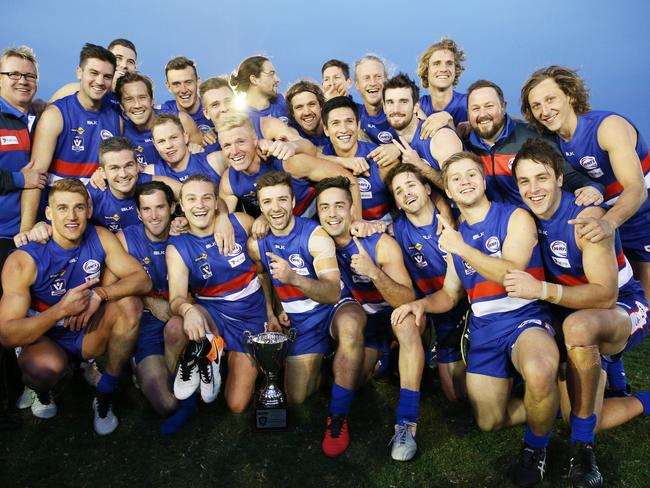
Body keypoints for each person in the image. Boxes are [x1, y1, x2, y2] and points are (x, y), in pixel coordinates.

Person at [392, 152, 560, 487]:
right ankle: (558, 402)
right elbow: (451, 294)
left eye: (472, 175)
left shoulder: (515, 216)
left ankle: (535, 450)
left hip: (525, 316)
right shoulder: (455, 237)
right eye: (456, 179)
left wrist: (461, 248)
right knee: (488, 421)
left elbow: (511, 271)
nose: (465, 182)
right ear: (449, 192)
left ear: (484, 181)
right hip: (484, 328)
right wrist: (421, 305)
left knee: (540, 370)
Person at [505, 138, 650, 488]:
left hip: (623, 307)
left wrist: (541, 290)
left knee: (578, 326)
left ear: (559, 178)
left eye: (541, 178)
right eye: (524, 181)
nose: (533, 189)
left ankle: (582, 453)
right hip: (574, 311)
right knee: (579, 416)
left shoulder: (585, 219)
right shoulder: (525, 216)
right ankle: (632, 398)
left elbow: (605, 294)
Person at [0, 178, 151, 434]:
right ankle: (41, 391)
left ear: (89, 211)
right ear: (48, 213)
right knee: (42, 370)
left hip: (84, 327)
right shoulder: (24, 259)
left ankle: (104, 394)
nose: (72, 216)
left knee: (130, 305)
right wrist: (60, 310)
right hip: (43, 336)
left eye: (79, 207)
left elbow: (142, 280)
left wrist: (100, 294)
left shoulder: (100, 236)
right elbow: (6, 334)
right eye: (62, 208)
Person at [316, 176, 427, 461]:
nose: (332, 214)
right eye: (325, 207)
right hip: (363, 317)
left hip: (394, 311)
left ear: (353, 210)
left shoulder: (379, 244)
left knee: (406, 323)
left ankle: (406, 424)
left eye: (339, 206)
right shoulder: (317, 239)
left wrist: (374, 273)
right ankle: (382, 361)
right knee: (355, 380)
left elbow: (407, 299)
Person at [521, 66, 650, 299]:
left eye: (550, 99)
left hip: (641, 216)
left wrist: (608, 223)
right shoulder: (551, 139)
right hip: (607, 219)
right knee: (613, 298)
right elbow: (511, 124)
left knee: (645, 301)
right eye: (536, 105)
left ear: (570, 95)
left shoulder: (607, 127)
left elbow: (637, 189)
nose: (545, 110)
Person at [166, 175, 268, 414]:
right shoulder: (177, 247)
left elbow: (272, 227)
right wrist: (187, 309)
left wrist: (261, 216)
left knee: (237, 404)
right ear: (181, 206)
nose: (199, 205)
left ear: (216, 202)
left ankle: (214, 358)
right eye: (191, 199)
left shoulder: (239, 222)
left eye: (206, 198)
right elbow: (176, 298)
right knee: (177, 323)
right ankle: (204, 358)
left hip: (251, 317)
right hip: (214, 316)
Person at [248, 171, 342, 407]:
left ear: (292, 202)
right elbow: (264, 277)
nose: (275, 208)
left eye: (282, 200)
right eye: (267, 202)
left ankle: (331, 355)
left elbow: (332, 294)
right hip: (296, 321)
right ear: (260, 206)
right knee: (294, 396)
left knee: (297, 397)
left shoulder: (315, 236)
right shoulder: (256, 244)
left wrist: (294, 278)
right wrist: (272, 312)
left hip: (325, 314)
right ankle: (322, 362)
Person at [116, 181, 197, 433]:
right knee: (167, 405)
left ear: (173, 207)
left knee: (176, 325)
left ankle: (184, 377)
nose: (154, 216)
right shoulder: (126, 239)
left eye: (160, 207)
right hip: (145, 324)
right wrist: (149, 301)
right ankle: (135, 360)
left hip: (178, 321)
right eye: (147, 209)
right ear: (138, 212)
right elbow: (111, 286)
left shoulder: (188, 233)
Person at [385, 163, 468, 402]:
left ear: (427, 188)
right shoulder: (395, 232)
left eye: (411, 185)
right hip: (437, 310)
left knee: (478, 394)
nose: (406, 193)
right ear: (397, 203)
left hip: (472, 306)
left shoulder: (457, 217)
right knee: (455, 396)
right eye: (399, 191)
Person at [22, 43, 122, 234]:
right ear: (79, 72)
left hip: (97, 219)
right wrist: (26, 228)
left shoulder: (116, 119)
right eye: (93, 73)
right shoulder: (56, 115)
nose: (100, 81)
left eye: (107, 76)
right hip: (58, 221)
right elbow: (35, 176)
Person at [0, 45, 47, 429]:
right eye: (13, 74)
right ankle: (8, 389)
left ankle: (31, 382)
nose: (21, 81)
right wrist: (18, 179)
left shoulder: (40, 117)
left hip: (36, 233)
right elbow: (26, 175)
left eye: (28, 75)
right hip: (2, 236)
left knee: (29, 311)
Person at [464, 79, 602, 207]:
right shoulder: (464, 147)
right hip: (493, 228)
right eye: (475, 109)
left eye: (489, 106)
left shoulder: (533, 136)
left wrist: (591, 187)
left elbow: (565, 176)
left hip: (537, 223)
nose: (482, 114)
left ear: (503, 106)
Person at [216, 112, 362, 219]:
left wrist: (358, 220)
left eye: (240, 142)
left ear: (255, 140)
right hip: (281, 224)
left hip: (315, 215)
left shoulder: (286, 161)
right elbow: (221, 214)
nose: (234, 151)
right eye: (227, 145)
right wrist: (223, 221)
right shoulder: (229, 181)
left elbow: (350, 180)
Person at [199, 76, 316, 159]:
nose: (224, 108)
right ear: (206, 113)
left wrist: (291, 146)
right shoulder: (210, 144)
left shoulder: (266, 125)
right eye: (215, 105)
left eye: (228, 101)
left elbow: (310, 148)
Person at [382, 73, 463, 189]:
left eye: (403, 102)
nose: (396, 109)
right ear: (384, 107)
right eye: (390, 102)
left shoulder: (440, 137)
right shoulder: (394, 140)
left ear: (415, 107)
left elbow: (459, 188)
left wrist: (420, 166)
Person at [320, 96, 391, 222]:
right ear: (326, 130)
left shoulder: (378, 157)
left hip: (380, 223)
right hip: (337, 225)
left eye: (349, 121)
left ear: (358, 125)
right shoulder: (322, 155)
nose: (344, 129)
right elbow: (306, 155)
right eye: (335, 123)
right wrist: (342, 161)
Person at [116, 71, 199, 168]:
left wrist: (199, 147)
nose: (137, 105)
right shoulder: (120, 129)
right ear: (122, 106)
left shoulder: (181, 120)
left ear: (152, 101)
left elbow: (203, 160)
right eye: (129, 99)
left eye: (142, 98)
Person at [49, 38, 138, 112]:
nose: (124, 65)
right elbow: (46, 114)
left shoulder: (136, 101)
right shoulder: (73, 90)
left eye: (130, 62)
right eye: (118, 58)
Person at [416, 37, 468, 136]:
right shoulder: (418, 106)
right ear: (426, 71)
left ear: (456, 70)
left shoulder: (470, 104)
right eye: (437, 64)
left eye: (449, 63)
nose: (444, 69)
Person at [159, 56, 210, 142]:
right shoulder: (163, 113)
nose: (184, 90)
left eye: (188, 82)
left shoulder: (213, 109)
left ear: (198, 81)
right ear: (168, 87)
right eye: (176, 84)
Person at [230, 56, 289, 122]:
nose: (278, 79)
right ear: (254, 80)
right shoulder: (240, 118)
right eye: (271, 74)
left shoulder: (285, 102)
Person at [285, 80, 329, 147]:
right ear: (292, 113)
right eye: (299, 107)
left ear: (321, 106)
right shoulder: (291, 133)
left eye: (311, 104)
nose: (307, 112)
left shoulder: (335, 126)